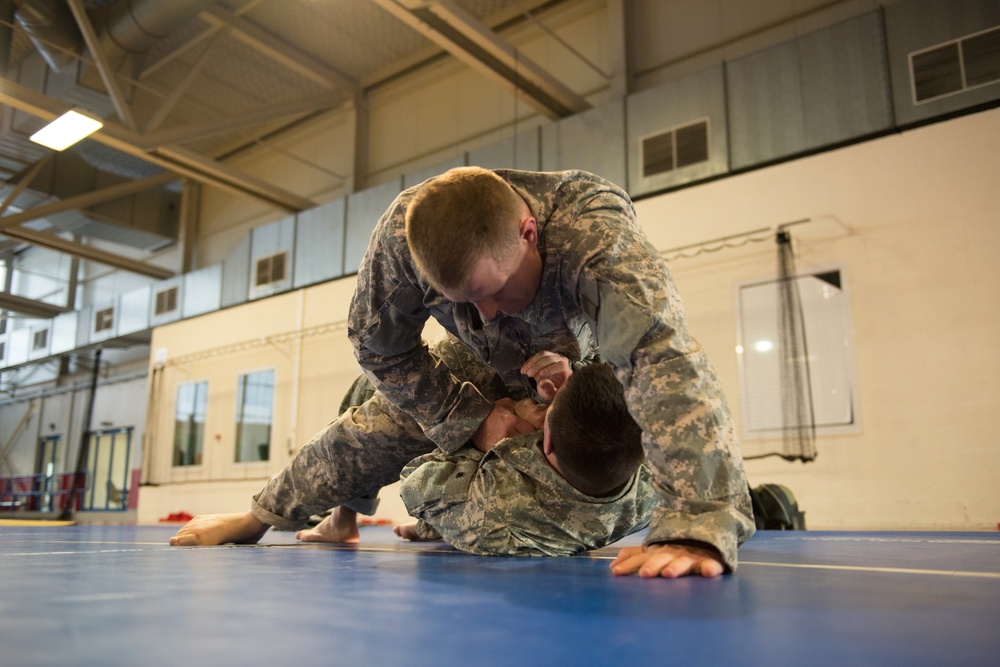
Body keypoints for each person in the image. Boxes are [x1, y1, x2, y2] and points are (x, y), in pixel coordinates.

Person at [170, 167, 755, 579]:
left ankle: (441, 518)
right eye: (460, 303)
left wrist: (697, 522)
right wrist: (473, 418)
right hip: (486, 372)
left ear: (529, 234)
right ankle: (279, 512)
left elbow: (666, 363)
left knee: (590, 458)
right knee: (381, 416)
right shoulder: (402, 243)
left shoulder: (594, 242)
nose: (484, 316)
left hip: (588, 369)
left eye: (494, 293)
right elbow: (381, 352)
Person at [394, 361, 655, 556]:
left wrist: (487, 436)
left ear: (548, 440)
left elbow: (414, 482)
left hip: (484, 526)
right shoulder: (658, 491)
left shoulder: (493, 505)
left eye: (548, 406)